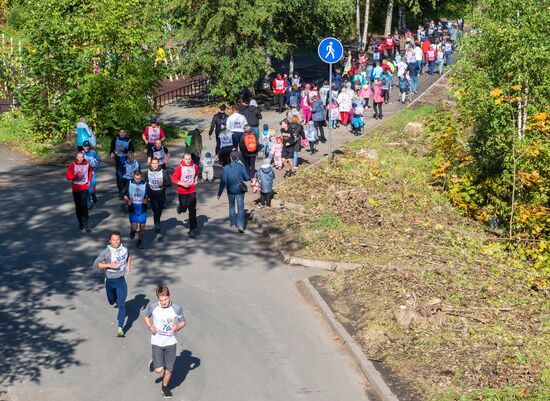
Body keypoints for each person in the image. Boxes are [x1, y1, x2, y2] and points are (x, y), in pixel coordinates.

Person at [143, 284, 186, 399]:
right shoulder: (153, 306)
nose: (163, 302)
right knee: (159, 370)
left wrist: (177, 327)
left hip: (171, 342)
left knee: (169, 369)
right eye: (161, 300)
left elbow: (183, 321)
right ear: (158, 299)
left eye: (165, 299)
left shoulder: (176, 308)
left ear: (169, 297)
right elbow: (146, 316)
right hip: (157, 341)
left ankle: (165, 387)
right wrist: (149, 326)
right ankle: (154, 363)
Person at [93, 231, 131, 337]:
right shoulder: (106, 252)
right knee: (111, 301)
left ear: (120, 239)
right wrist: (109, 265)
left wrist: (128, 266)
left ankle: (120, 328)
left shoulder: (125, 249)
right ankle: (114, 299)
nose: (116, 242)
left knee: (121, 304)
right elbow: (96, 264)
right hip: (110, 280)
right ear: (110, 241)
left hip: (121, 280)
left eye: (118, 239)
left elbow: (129, 256)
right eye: (113, 240)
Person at [217, 150, 250, 232]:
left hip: (230, 190)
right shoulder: (241, 167)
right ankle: (241, 225)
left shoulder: (225, 168)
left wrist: (219, 193)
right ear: (238, 158)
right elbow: (247, 178)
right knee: (240, 207)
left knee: (231, 206)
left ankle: (232, 223)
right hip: (240, 190)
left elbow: (223, 181)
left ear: (230, 158)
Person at [171, 152, 199, 239]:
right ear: (183, 159)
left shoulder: (195, 166)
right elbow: (173, 179)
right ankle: (180, 208)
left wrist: (195, 180)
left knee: (192, 210)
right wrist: (182, 184)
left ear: (191, 159)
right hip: (182, 191)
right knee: (183, 208)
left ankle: (192, 230)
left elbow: (197, 173)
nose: (188, 161)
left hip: (192, 191)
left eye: (189, 159)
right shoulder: (180, 168)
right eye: (186, 159)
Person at [66, 152, 93, 232]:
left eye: (82, 157)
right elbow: (68, 177)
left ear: (83, 157)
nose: (80, 159)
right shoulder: (73, 165)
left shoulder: (87, 163)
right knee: (78, 206)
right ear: (76, 157)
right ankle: (80, 222)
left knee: (84, 204)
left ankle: (86, 223)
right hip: (76, 187)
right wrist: (76, 175)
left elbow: (90, 172)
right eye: (79, 157)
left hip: (84, 186)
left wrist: (89, 180)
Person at [145, 158, 171, 241]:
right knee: (156, 212)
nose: (155, 165)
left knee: (158, 212)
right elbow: (144, 183)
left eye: (156, 163)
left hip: (161, 196)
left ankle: (157, 223)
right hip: (152, 196)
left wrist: (163, 183)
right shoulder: (147, 172)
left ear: (158, 164)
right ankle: (158, 231)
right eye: (153, 163)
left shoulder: (163, 171)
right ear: (151, 164)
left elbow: (169, 183)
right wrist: (146, 195)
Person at [122, 170, 148, 249]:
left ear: (141, 177)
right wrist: (127, 200)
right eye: (136, 178)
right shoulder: (129, 183)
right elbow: (123, 194)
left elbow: (149, 195)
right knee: (134, 227)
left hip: (142, 209)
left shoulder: (145, 184)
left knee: (142, 228)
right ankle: (133, 231)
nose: (138, 180)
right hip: (133, 209)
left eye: (139, 178)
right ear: (133, 177)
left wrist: (147, 200)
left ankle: (140, 242)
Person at [110, 129, 134, 193]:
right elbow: (112, 146)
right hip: (118, 158)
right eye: (121, 132)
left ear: (125, 133)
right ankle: (121, 190)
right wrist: (111, 152)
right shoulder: (115, 139)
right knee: (119, 175)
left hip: (126, 159)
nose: (122, 133)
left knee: (126, 174)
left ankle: (126, 190)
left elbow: (132, 150)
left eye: (123, 132)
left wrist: (124, 150)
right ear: (119, 133)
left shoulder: (129, 140)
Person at [82, 140, 100, 209]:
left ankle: (93, 196)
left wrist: (96, 166)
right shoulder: (81, 154)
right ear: (83, 147)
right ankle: (89, 203)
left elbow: (98, 160)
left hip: (92, 172)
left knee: (91, 190)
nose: (86, 147)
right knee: (86, 190)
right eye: (85, 146)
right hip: (84, 174)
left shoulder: (93, 153)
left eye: (88, 146)